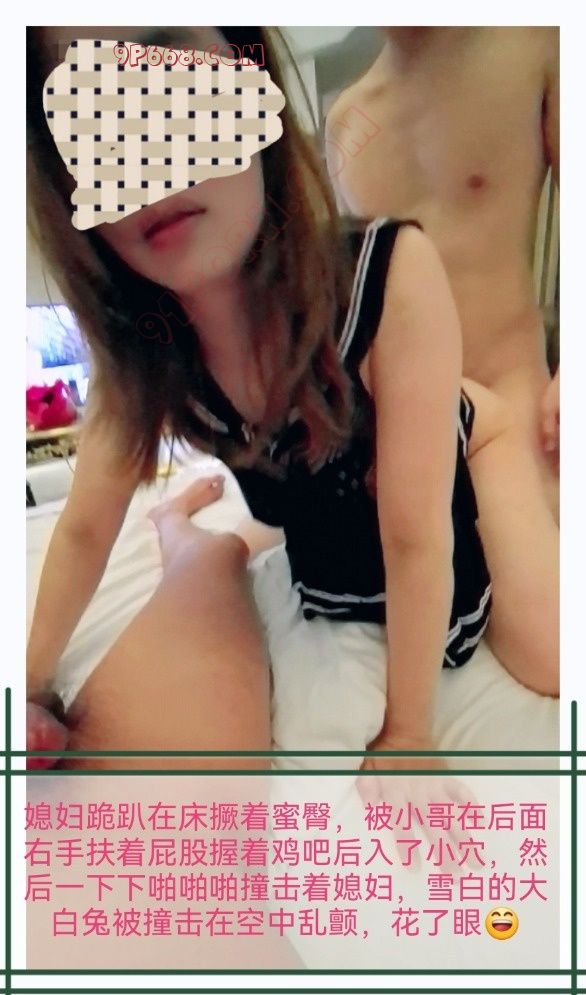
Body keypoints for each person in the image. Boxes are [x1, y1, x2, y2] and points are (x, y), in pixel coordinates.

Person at [26, 25, 558, 778]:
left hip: (472, 428)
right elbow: (84, 528)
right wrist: (27, 684)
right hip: (341, 460)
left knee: (553, 653)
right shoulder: (143, 352)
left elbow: (415, 537)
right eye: (85, 114)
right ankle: (187, 529)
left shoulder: (389, 271)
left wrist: (407, 734)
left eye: (169, 77)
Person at [326, 26, 560, 518]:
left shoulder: (530, 45)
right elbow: (358, 293)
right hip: (406, 429)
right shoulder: (347, 121)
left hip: (517, 400)